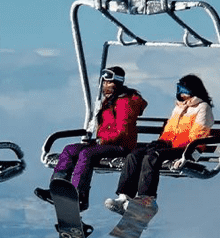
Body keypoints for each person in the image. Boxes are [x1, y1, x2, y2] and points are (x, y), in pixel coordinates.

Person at [35, 67, 146, 213]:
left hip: (121, 146)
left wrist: (101, 141)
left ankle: (78, 194)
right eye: (104, 82)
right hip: (106, 142)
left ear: (116, 83)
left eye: (108, 82)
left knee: (86, 154)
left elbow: (122, 131)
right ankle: (57, 187)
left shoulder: (125, 102)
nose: (105, 85)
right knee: (70, 149)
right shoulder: (110, 101)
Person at [104, 74, 214, 216]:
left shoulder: (203, 107)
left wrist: (183, 153)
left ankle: (146, 200)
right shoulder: (179, 107)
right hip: (169, 144)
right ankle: (125, 197)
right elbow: (169, 130)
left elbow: (197, 135)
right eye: (179, 89)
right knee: (135, 154)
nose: (181, 93)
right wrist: (162, 141)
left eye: (184, 90)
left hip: (188, 148)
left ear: (193, 91)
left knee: (153, 156)